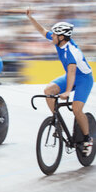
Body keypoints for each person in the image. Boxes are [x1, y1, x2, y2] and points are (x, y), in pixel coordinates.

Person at [26, 9, 93, 156]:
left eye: (55, 34)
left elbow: (72, 72)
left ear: (62, 37)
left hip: (84, 79)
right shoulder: (59, 41)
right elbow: (42, 31)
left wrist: (68, 91)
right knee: (48, 91)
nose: (52, 36)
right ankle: (57, 123)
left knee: (76, 109)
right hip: (71, 75)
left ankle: (88, 139)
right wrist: (31, 18)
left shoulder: (71, 51)